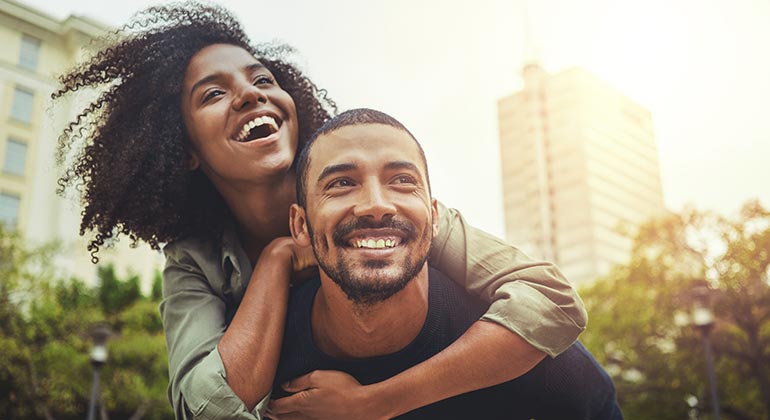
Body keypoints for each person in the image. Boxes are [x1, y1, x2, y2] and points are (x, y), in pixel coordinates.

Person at [52, 3, 587, 419]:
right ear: (182, 149)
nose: (250, 96)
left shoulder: (375, 206)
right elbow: (206, 406)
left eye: (263, 80)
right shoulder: (194, 264)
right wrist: (278, 260)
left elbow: (550, 301)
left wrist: (376, 403)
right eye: (213, 94)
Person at [269, 108, 622, 419]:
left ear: (435, 218)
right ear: (300, 225)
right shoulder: (274, 357)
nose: (376, 204)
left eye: (402, 181)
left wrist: (373, 404)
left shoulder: (525, 353)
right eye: (342, 183)